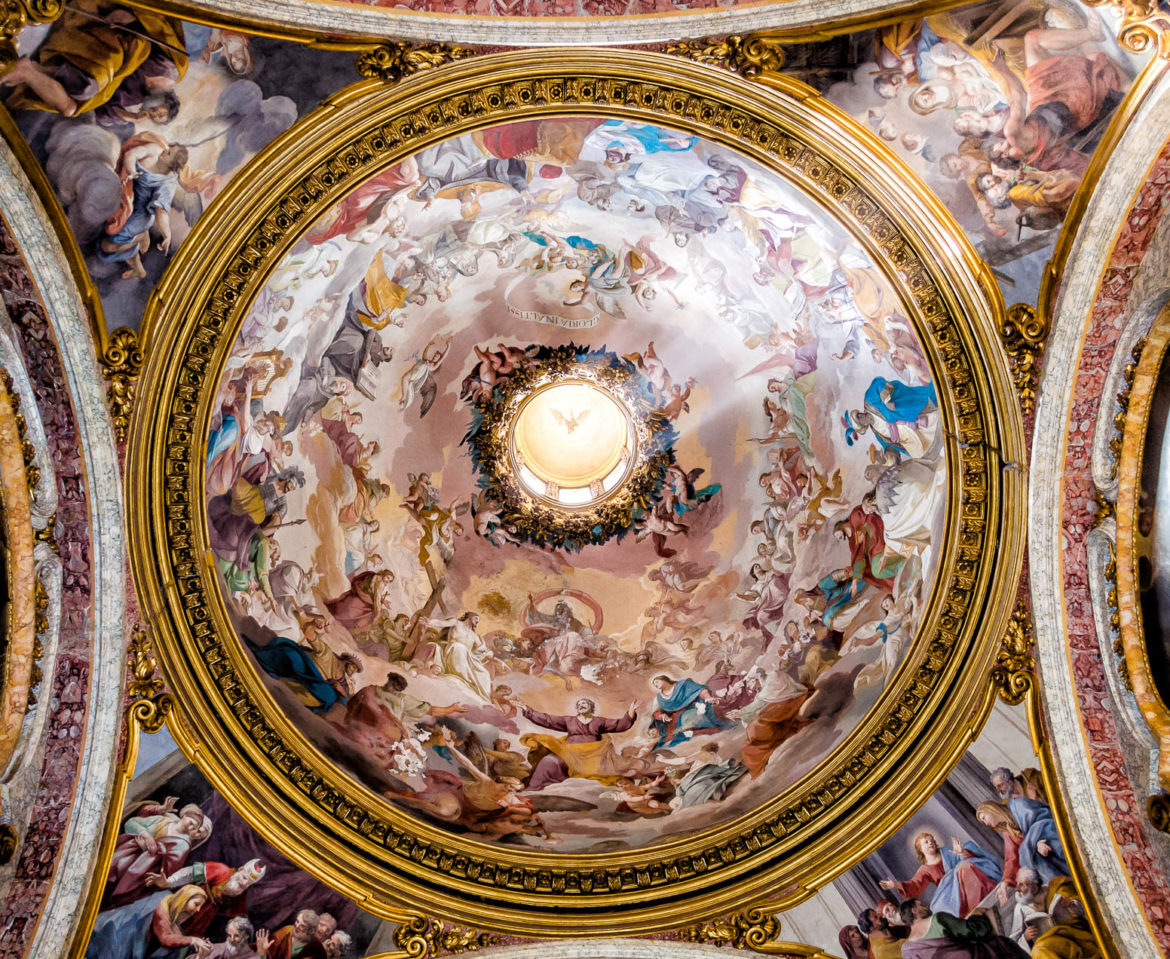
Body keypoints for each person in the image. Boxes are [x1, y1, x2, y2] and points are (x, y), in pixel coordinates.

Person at [104, 798, 212, 908]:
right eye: (191, 823)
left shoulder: (182, 845)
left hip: (136, 874)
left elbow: (164, 870)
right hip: (121, 855)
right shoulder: (164, 821)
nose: (192, 830)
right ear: (184, 815)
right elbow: (132, 823)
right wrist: (145, 835)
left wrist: (147, 850)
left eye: (196, 830)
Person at [520, 698, 636, 789]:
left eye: (584, 703)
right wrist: (527, 710)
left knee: (605, 773)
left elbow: (618, 725)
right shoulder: (568, 720)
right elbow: (548, 720)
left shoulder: (600, 721)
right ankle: (535, 788)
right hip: (569, 752)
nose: (581, 705)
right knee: (549, 761)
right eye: (579, 704)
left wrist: (630, 714)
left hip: (593, 755)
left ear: (591, 707)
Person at [880, 832, 1001, 919]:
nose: (931, 842)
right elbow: (915, 885)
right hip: (948, 891)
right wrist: (895, 884)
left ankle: (980, 903)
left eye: (931, 839)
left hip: (966, 880)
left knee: (964, 866)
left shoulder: (948, 851)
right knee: (939, 910)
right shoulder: (925, 869)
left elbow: (967, 858)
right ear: (920, 849)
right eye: (926, 842)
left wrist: (962, 853)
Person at [144, 857, 266, 941]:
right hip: (187, 903)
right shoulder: (221, 870)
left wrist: (240, 929)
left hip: (200, 922)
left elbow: (238, 917)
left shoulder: (240, 893)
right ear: (240, 869)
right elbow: (189, 873)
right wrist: (169, 882)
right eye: (244, 878)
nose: (244, 884)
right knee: (157, 929)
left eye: (249, 883)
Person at [87, 884, 212, 959]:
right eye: (196, 904)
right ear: (184, 898)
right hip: (116, 937)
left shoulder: (175, 925)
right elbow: (164, 937)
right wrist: (192, 940)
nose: (198, 910)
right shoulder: (161, 901)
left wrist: (199, 954)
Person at [977, 799, 1070, 886]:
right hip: (1041, 850)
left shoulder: (1019, 805)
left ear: (991, 809)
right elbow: (1011, 857)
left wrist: (1037, 842)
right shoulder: (1008, 830)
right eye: (983, 822)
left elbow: (1043, 816)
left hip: (1055, 830)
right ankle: (1061, 887)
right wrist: (1005, 882)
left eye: (984, 818)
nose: (986, 823)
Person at [899, 898, 1028, 958]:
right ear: (914, 910)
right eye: (921, 905)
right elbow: (976, 931)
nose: (926, 907)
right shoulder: (938, 919)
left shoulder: (907, 949)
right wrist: (976, 914)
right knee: (1002, 944)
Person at [648, 675, 733, 748]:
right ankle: (692, 732)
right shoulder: (660, 698)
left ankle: (701, 731)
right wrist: (662, 716)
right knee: (677, 731)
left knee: (696, 717)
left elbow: (700, 690)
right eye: (654, 684)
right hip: (675, 717)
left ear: (664, 680)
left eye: (657, 682)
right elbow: (657, 712)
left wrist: (707, 697)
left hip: (694, 706)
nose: (655, 684)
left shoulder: (682, 685)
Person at [422, 612, 493, 700]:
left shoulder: (474, 635)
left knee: (485, 673)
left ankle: (481, 693)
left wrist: (490, 653)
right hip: (454, 649)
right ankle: (466, 679)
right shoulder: (456, 623)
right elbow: (441, 623)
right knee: (460, 648)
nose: (477, 621)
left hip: (468, 656)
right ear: (469, 617)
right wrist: (429, 622)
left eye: (478, 620)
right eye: (475, 618)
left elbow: (482, 649)